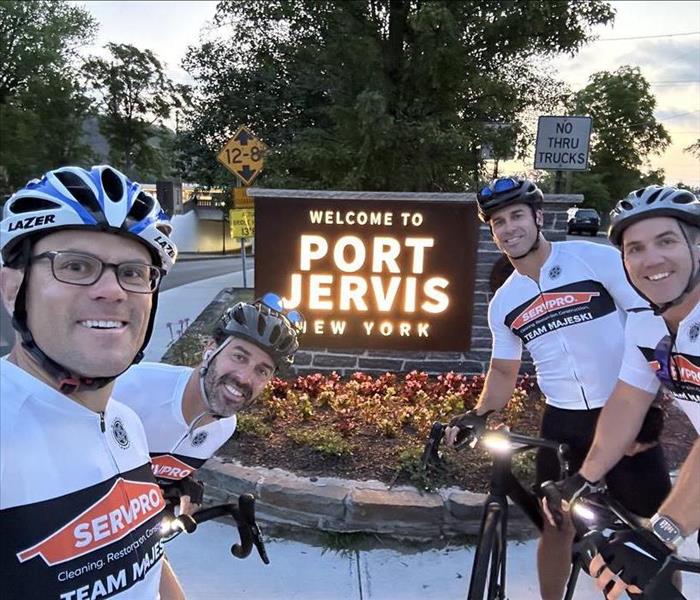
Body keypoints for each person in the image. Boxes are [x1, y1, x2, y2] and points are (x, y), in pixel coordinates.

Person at [444, 177, 672, 600]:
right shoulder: (504, 302)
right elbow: (502, 372)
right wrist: (478, 414)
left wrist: (653, 406)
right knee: (555, 525)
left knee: (651, 531)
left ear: (537, 217)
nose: (509, 228)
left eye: (516, 216)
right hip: (562, 424)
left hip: (625, 412)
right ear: (492, 233)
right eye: (498, 222)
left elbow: (649, 323)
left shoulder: (595, 260)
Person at [0, 165, 185, 599]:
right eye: (77, 266)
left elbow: (145, 557)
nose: (113, 291)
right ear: (12, 290)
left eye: (135, 273)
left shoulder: (125, 422)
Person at [541, 185, 700, 599]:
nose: (651, 260)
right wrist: (585, 477)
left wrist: (662, 532)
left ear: (697, 246)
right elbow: (628, 401)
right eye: (635, 248)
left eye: (666, 241)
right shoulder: (647, 322)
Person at [112, 293, 303, 516]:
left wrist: (181, 484)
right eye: (239, 357)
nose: (244, 378)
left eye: (261, 371)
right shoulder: (130, 387)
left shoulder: (224, 426)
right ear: (210, 350)